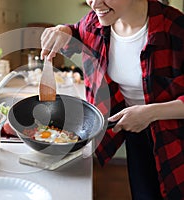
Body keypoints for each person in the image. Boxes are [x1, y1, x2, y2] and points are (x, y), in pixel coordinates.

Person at [40, 0, 184, 199]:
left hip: (175, 134)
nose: (94, 3)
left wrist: (151, 113)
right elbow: (77, 32)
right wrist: (63, 30)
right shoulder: (96, 23)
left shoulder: (175, 27)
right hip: (135, 130)